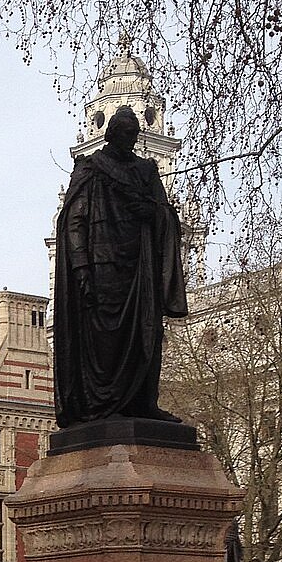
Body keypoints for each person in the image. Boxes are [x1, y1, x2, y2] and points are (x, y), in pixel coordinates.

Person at [54, 105, 188, 427]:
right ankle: (103, 404)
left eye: (133, 135)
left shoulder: (146, 172)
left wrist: (153, 213)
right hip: (103, 270)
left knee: (149, 333)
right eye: (124, 134)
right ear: (111, 133)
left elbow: (166, 214)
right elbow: (74, 221)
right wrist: (81, 269)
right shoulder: (90, 169)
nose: (129, 141)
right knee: (104, 341)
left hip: (140, 270)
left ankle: (144, 402)